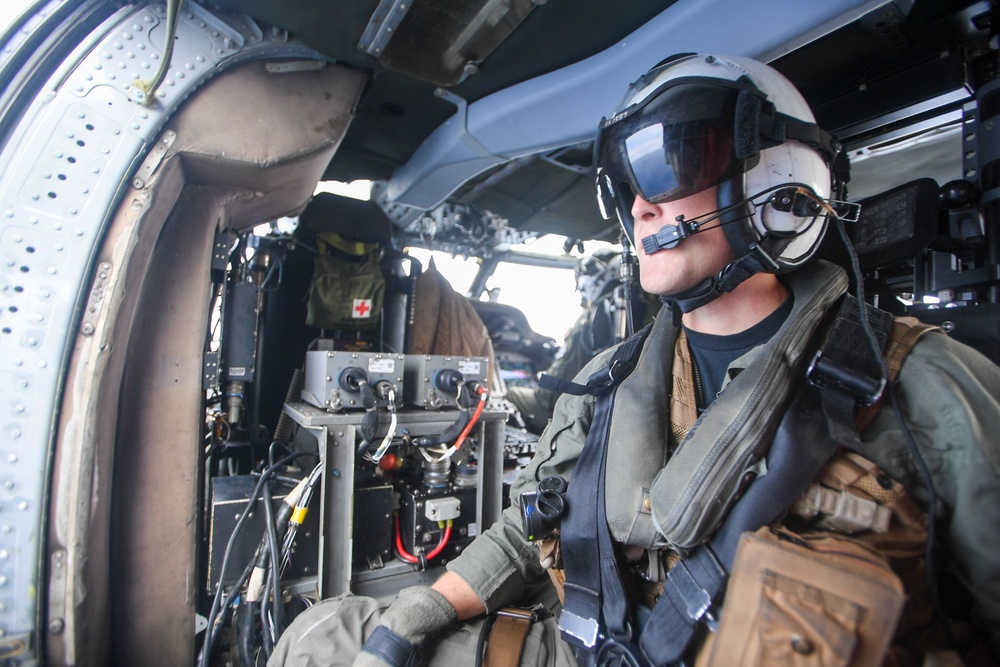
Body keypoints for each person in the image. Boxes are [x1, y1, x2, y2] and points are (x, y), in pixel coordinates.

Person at [270, 54, 1000, 666]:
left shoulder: (924, 385)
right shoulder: (607, 380)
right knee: (321, 638)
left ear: (778, 182)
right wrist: (422, 611)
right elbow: (533, 528)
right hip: (592, 644)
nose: (640, 206)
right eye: (627, 180)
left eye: (668, 161)